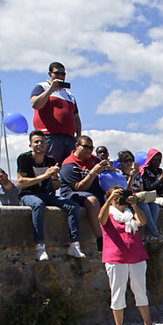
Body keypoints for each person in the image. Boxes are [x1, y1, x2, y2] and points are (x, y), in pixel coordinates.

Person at [98, 186, 162, 325]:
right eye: (116, 197)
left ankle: (148, 324)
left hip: (136, 255)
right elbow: (101, 219)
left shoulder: (129, 214)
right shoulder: (109, 213)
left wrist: (134, 205)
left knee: (140, 289)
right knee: (117, 291)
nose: (119, 200)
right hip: (115, 257)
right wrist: (109, 200)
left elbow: (143, 221)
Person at [17, 130, 83, 260]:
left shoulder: (50, 160)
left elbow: (56, 186)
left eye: (42, 142)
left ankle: (74, 244)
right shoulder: (24, 158)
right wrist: (45, 175)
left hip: (46, 195)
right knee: (38, 205)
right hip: (28, 195)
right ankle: (40, 246)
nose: (39, 144)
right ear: (30, 145)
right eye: (36, 142)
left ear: (46, 145)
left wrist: (53, 176)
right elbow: (21, 182)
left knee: (72, 205)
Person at [59, 135, 107, 250]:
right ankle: (100, 239)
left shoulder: (94, 160)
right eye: (85, 147)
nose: (89, 151)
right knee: (92, 201)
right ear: (77, 146)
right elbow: (80, 187)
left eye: (91, 148)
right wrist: (93, 172)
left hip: (95, 192)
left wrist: (110, 169)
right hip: (73, 194)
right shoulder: (69, 165)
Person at [30, 62, 81, 164]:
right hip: (50, 136)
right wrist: (51, 90)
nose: (60, 76)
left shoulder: (69, 95)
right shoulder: (42, 87)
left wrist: (79, 135)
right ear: (50, 74)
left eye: (63, 74)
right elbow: (35, 104)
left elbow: (76, 117)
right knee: (52, 165)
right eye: (57, 73)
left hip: (69, 138)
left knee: (67, 165)